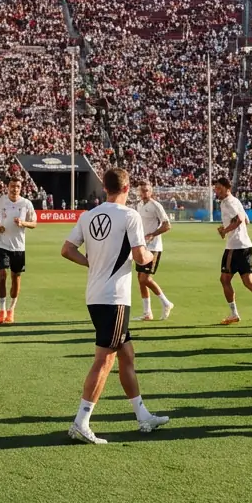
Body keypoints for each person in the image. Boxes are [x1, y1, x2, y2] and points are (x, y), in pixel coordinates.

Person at [59, 167, 169, 444]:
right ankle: (81, 422)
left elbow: (67, 250)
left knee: (126, 355)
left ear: (105, 188)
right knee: (105, 359)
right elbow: (140, 256)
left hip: (95, 294)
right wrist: (150, 256)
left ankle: (142, 415)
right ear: (127, 188)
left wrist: (91, 263)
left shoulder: (88, 215)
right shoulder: (130, 215)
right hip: (114, 297)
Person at [213, 177, 252, 326]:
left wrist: (225, 230)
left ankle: (234, 314)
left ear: (227, 188)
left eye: (219, 188)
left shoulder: (228, 202)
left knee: (225, 280)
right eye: (216, 189)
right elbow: (246, 220)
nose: (217, 191)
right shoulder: (236, 201)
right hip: (246, 245)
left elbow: (240, 219)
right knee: (248, 281)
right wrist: (230, 228)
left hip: (234, 247)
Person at [0, 177, 37, 324]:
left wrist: (23, 223)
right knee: (2, 275)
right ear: (8, 187)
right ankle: (2, 310)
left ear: (20, 188)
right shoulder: (1, 201)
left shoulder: (26, 203)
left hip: (18, 246)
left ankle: (11, 310)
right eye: (12, 186)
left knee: (15, 278)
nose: (14, 189)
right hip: (2, 244)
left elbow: (34, 223)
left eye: (17, 186)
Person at [133, 181, 174, 321]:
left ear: (151, 192)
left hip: (153, 247)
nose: (144, 193)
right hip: (142, 246)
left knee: (145, 278)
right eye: (142, 190)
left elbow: (167, 225)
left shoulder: (156, 205)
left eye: (146, 190)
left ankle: (166, 303)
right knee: (140, 279)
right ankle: (147, 313)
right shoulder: (139, 205)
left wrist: (152, 234)